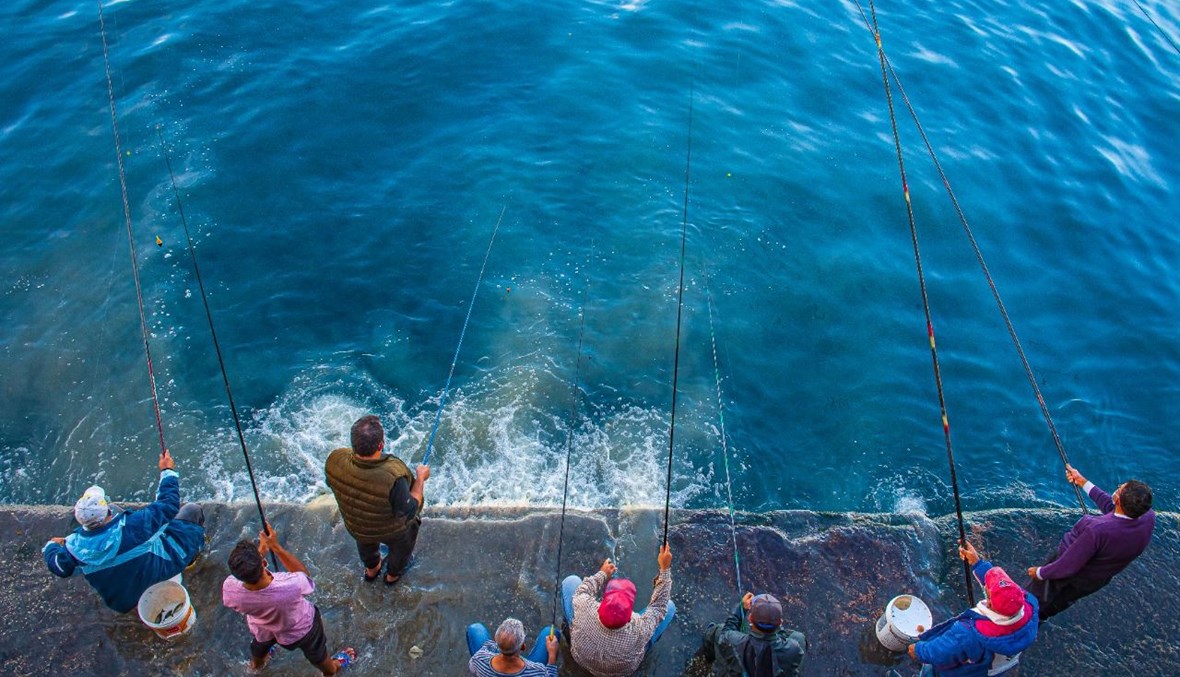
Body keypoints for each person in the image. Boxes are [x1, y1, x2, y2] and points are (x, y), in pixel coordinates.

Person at [42, 450, 205, 613]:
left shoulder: (74, 548)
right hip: (158, 575)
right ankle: (190, 558)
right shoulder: (133, 527)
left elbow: (59, 567)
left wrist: (52, 545)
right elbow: (168, 505)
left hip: (123, 602)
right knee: (193, 511)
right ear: (107, 511)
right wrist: (167, 470)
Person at [1024, 464, 1154, 620]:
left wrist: (1040, 573)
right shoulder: (1148, 516)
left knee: (1031, 601)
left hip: (1068, 574)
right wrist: (1082, 481)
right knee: (1056, 605)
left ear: (1118, 501)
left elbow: (1068, 565)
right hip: (1094, 581)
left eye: (1119, 489)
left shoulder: (1097, 530)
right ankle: (1037, 621)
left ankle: (1018, 622)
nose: (1118, 487)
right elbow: (1112, 508)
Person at [222, 524, 356, 674]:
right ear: (264, 563)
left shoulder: (229, 588)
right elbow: (304, 576)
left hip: (262, 630)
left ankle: (256, 667)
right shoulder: (290, 586)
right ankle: (332, 669)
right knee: (318, 656)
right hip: (301, 630)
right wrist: (276, 547)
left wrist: (261, 552)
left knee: (259, 649)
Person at [324, 414, 430, 585]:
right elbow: (409, 510)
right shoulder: (392, 475)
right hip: (392, 531)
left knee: (365, 539)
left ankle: (372, 570)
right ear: (381, 445)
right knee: (406, 537)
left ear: (353, 443)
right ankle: (392, 576)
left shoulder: (334, 460)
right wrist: (420, 478)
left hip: (357, 526)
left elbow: (330, 483)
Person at [906, 542, 1038, 676]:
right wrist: (977, 563)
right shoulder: (1031, 606)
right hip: (992, 670)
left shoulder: (968, 634)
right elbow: (1006, 592)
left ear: (990, 604)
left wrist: (918, 650)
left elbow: (938, 653)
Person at [561, 544, 676, 677]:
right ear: (630, 617)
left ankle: (568, 628)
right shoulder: (640, 630)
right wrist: (664, 569)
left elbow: (583, 589)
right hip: (621, 672)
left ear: (601, 605)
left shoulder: (585, 607)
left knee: (571, 581)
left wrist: (603, 574)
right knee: (670, 606)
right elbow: (659, 607)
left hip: (580, 659)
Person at [700, 592, 806, 677]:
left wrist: (741, 608)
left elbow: (726, 631)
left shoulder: (734, 641)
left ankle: (704, 658)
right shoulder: (794, 649)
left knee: (718, 631)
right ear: (780, 622)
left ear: (750, 618)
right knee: (799, 637)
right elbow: (780, 637)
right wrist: (773, 621)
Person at [466, 617, 558, 676]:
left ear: (496, 640)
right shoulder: (538, 671)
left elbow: (472, 668)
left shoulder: (479, 658)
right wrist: (552, 655)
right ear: (523, 647)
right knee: (550, 631)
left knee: (475, 628)